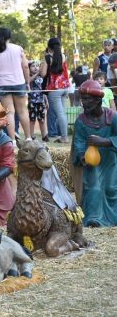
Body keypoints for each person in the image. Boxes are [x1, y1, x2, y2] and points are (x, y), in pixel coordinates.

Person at [70, 80, 117, 227]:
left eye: (87, 99)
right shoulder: (81, 121)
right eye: (82, 99)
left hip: (111, 161)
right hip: (92, 164)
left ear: (98, 100)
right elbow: (78, 143)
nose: (83, 103)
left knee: (112, 188)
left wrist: (104, 141)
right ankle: (94, 218)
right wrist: (82, 156)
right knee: (94, 188)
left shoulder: (113, 117)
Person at [0, 27, 31, 146]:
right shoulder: (18, 48)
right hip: (18, 82)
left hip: (2, 84)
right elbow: (25, 66)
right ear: (9, 37)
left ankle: (12, 140)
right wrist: (27, 82)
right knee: (22, 111)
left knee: (9, 112)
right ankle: (28, 138)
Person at [40, 37, 70, 144]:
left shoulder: (48, 58)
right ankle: (64, 135)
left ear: (48, 47)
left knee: (60, 113)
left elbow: (43, 74)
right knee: (63, 113)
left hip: (54, 89)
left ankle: (64, 137)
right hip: (65, 88)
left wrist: (41, 67)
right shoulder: (63, 56)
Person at [28, 60, 48, 141]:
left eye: (37, 66)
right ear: (29, 68)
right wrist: (37, 73)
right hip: (32, 101)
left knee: (42, 119)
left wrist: (46, 99)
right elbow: (29, 80)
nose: (35, 68)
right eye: (33, 66)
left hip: (41, 100)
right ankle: (31, 136)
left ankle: (44, 135)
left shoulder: (41, 77)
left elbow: (42, 90)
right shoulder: (28, 76)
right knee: (32, 119)